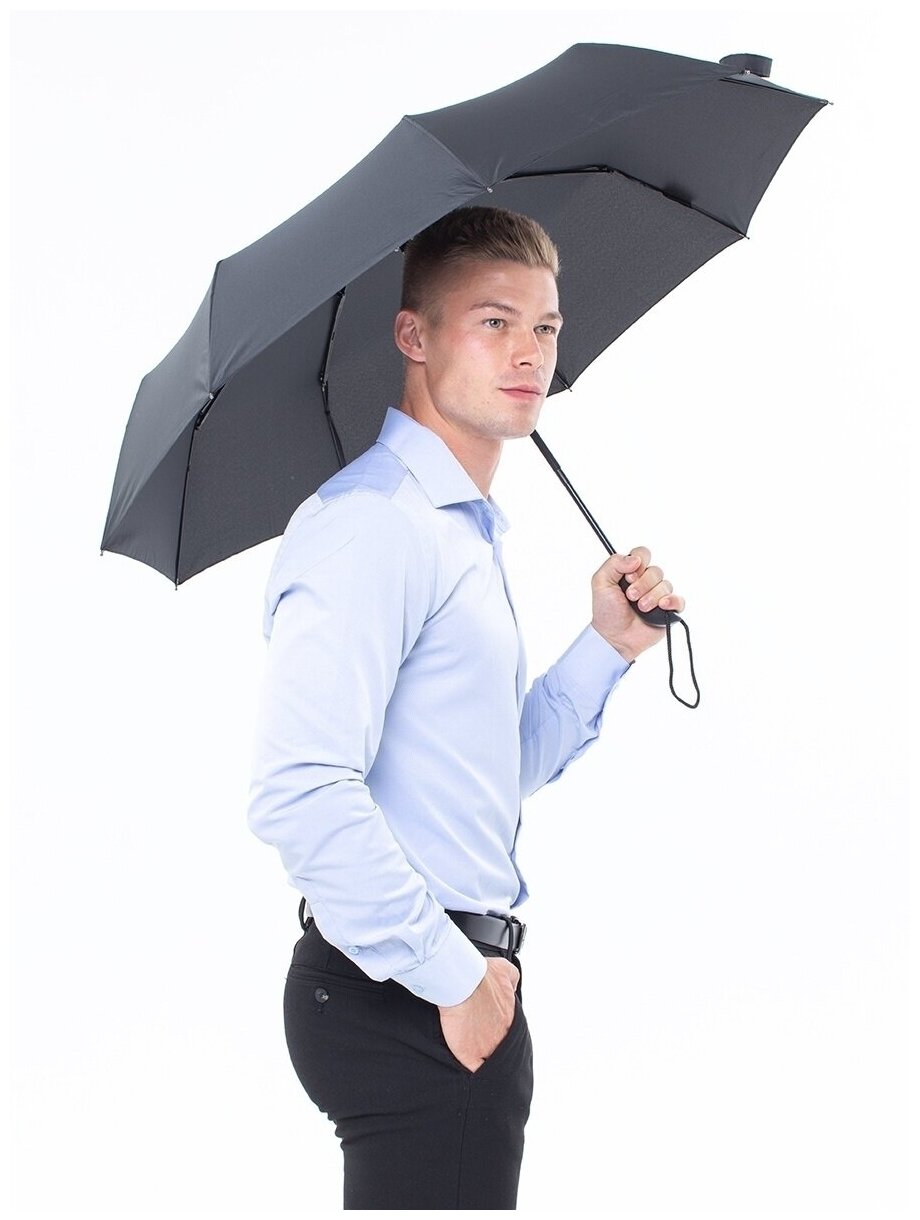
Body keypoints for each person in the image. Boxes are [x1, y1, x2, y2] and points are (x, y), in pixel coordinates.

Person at [247, 206, 684, 1210]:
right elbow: (299, 788)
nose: (529, 353)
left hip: (440, 983)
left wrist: (608, 644)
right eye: (494, 322)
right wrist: (455, 979)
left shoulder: (454, 532)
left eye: (544, 326)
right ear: (414, 336)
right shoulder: (376, 525)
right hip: (410, 990)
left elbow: (480, 774)